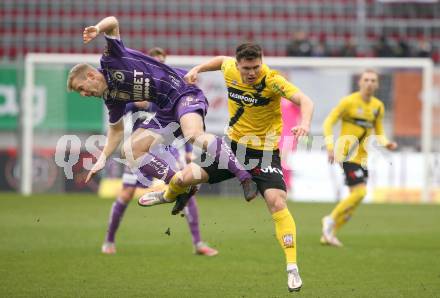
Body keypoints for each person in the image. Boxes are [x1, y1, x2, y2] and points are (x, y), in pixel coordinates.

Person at [142, 43, 314, 292]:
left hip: (264, 154)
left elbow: (304, 100)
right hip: (231, 149)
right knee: (183, 178)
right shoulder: (229, 68)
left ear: (261, 62)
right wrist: (198, 69)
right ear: (238, 64)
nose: (252, 73)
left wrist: (305, 124)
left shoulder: (273, 81)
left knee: (277, 202)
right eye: (247, 68)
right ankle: (167, 195)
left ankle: (292, 268)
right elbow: (220, 60)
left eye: (256, 67)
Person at [66, 16, 258, 204]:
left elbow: (113, 22)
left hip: (183, 91)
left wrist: (98, 29)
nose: (83, 94)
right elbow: (116, 130)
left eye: (81, 88)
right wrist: (102, 159)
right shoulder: (111, 97)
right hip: (166, 110)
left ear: (91, 75)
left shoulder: (110, 60)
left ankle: (244, 177)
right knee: (130, 150)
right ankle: (180, 186)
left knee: (194, 134)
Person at [101, 48, 218, 257]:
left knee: (184, 187)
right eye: (155, 61)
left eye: (161, 61)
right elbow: (118, 115)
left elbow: (185, 119)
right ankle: (109, 240)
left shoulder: (170, 89)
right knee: (126, 193)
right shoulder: (134, 92)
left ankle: (198, 243)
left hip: (167, 149)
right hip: (140, 149)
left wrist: (190, 150)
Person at [321, 69, 398, 247]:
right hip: (346, 154)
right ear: (360, 83)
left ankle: (329, 235)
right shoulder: (348, 102)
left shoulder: (378, 106)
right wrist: (330, 146)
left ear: (377, 85)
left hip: (362, 157)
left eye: (373, 80)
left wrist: (387, 144)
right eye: (366, 80)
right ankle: (330, 220)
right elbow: (328, 122)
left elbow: (379, 132)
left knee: (354, 200)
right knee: (361, 192)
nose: (369, 83)